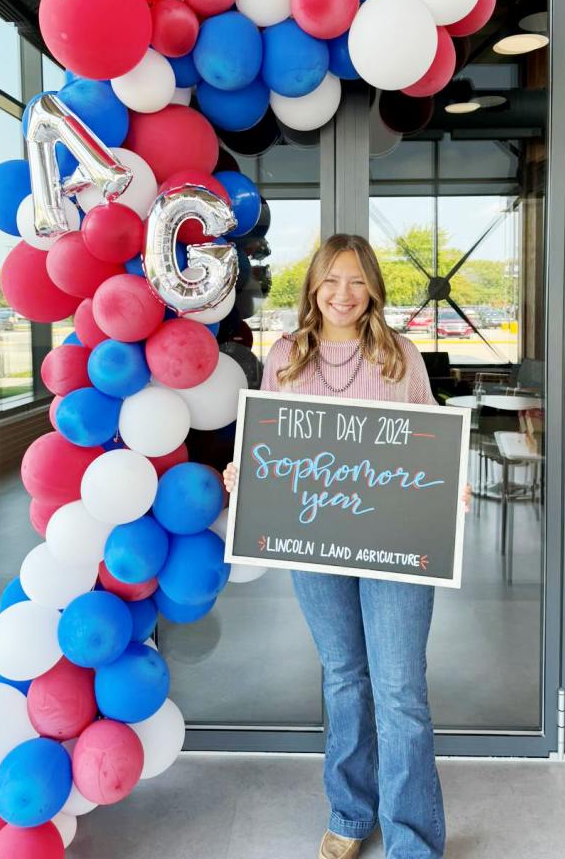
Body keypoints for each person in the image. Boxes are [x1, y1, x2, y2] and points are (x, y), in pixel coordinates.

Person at [223, 233, 470, 859]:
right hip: (316, 544)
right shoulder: (285, 356)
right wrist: (244, 471)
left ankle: (412, 839)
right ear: (313, 286)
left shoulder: (399, 354)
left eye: (357, 280)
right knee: (343, 679)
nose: (343, 293)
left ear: (373, 289)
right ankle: (352, 813)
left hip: (396, 544)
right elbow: (270, 445)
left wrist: (451, 482)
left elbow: (430, 437)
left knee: (400, 691)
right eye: (331, 279)